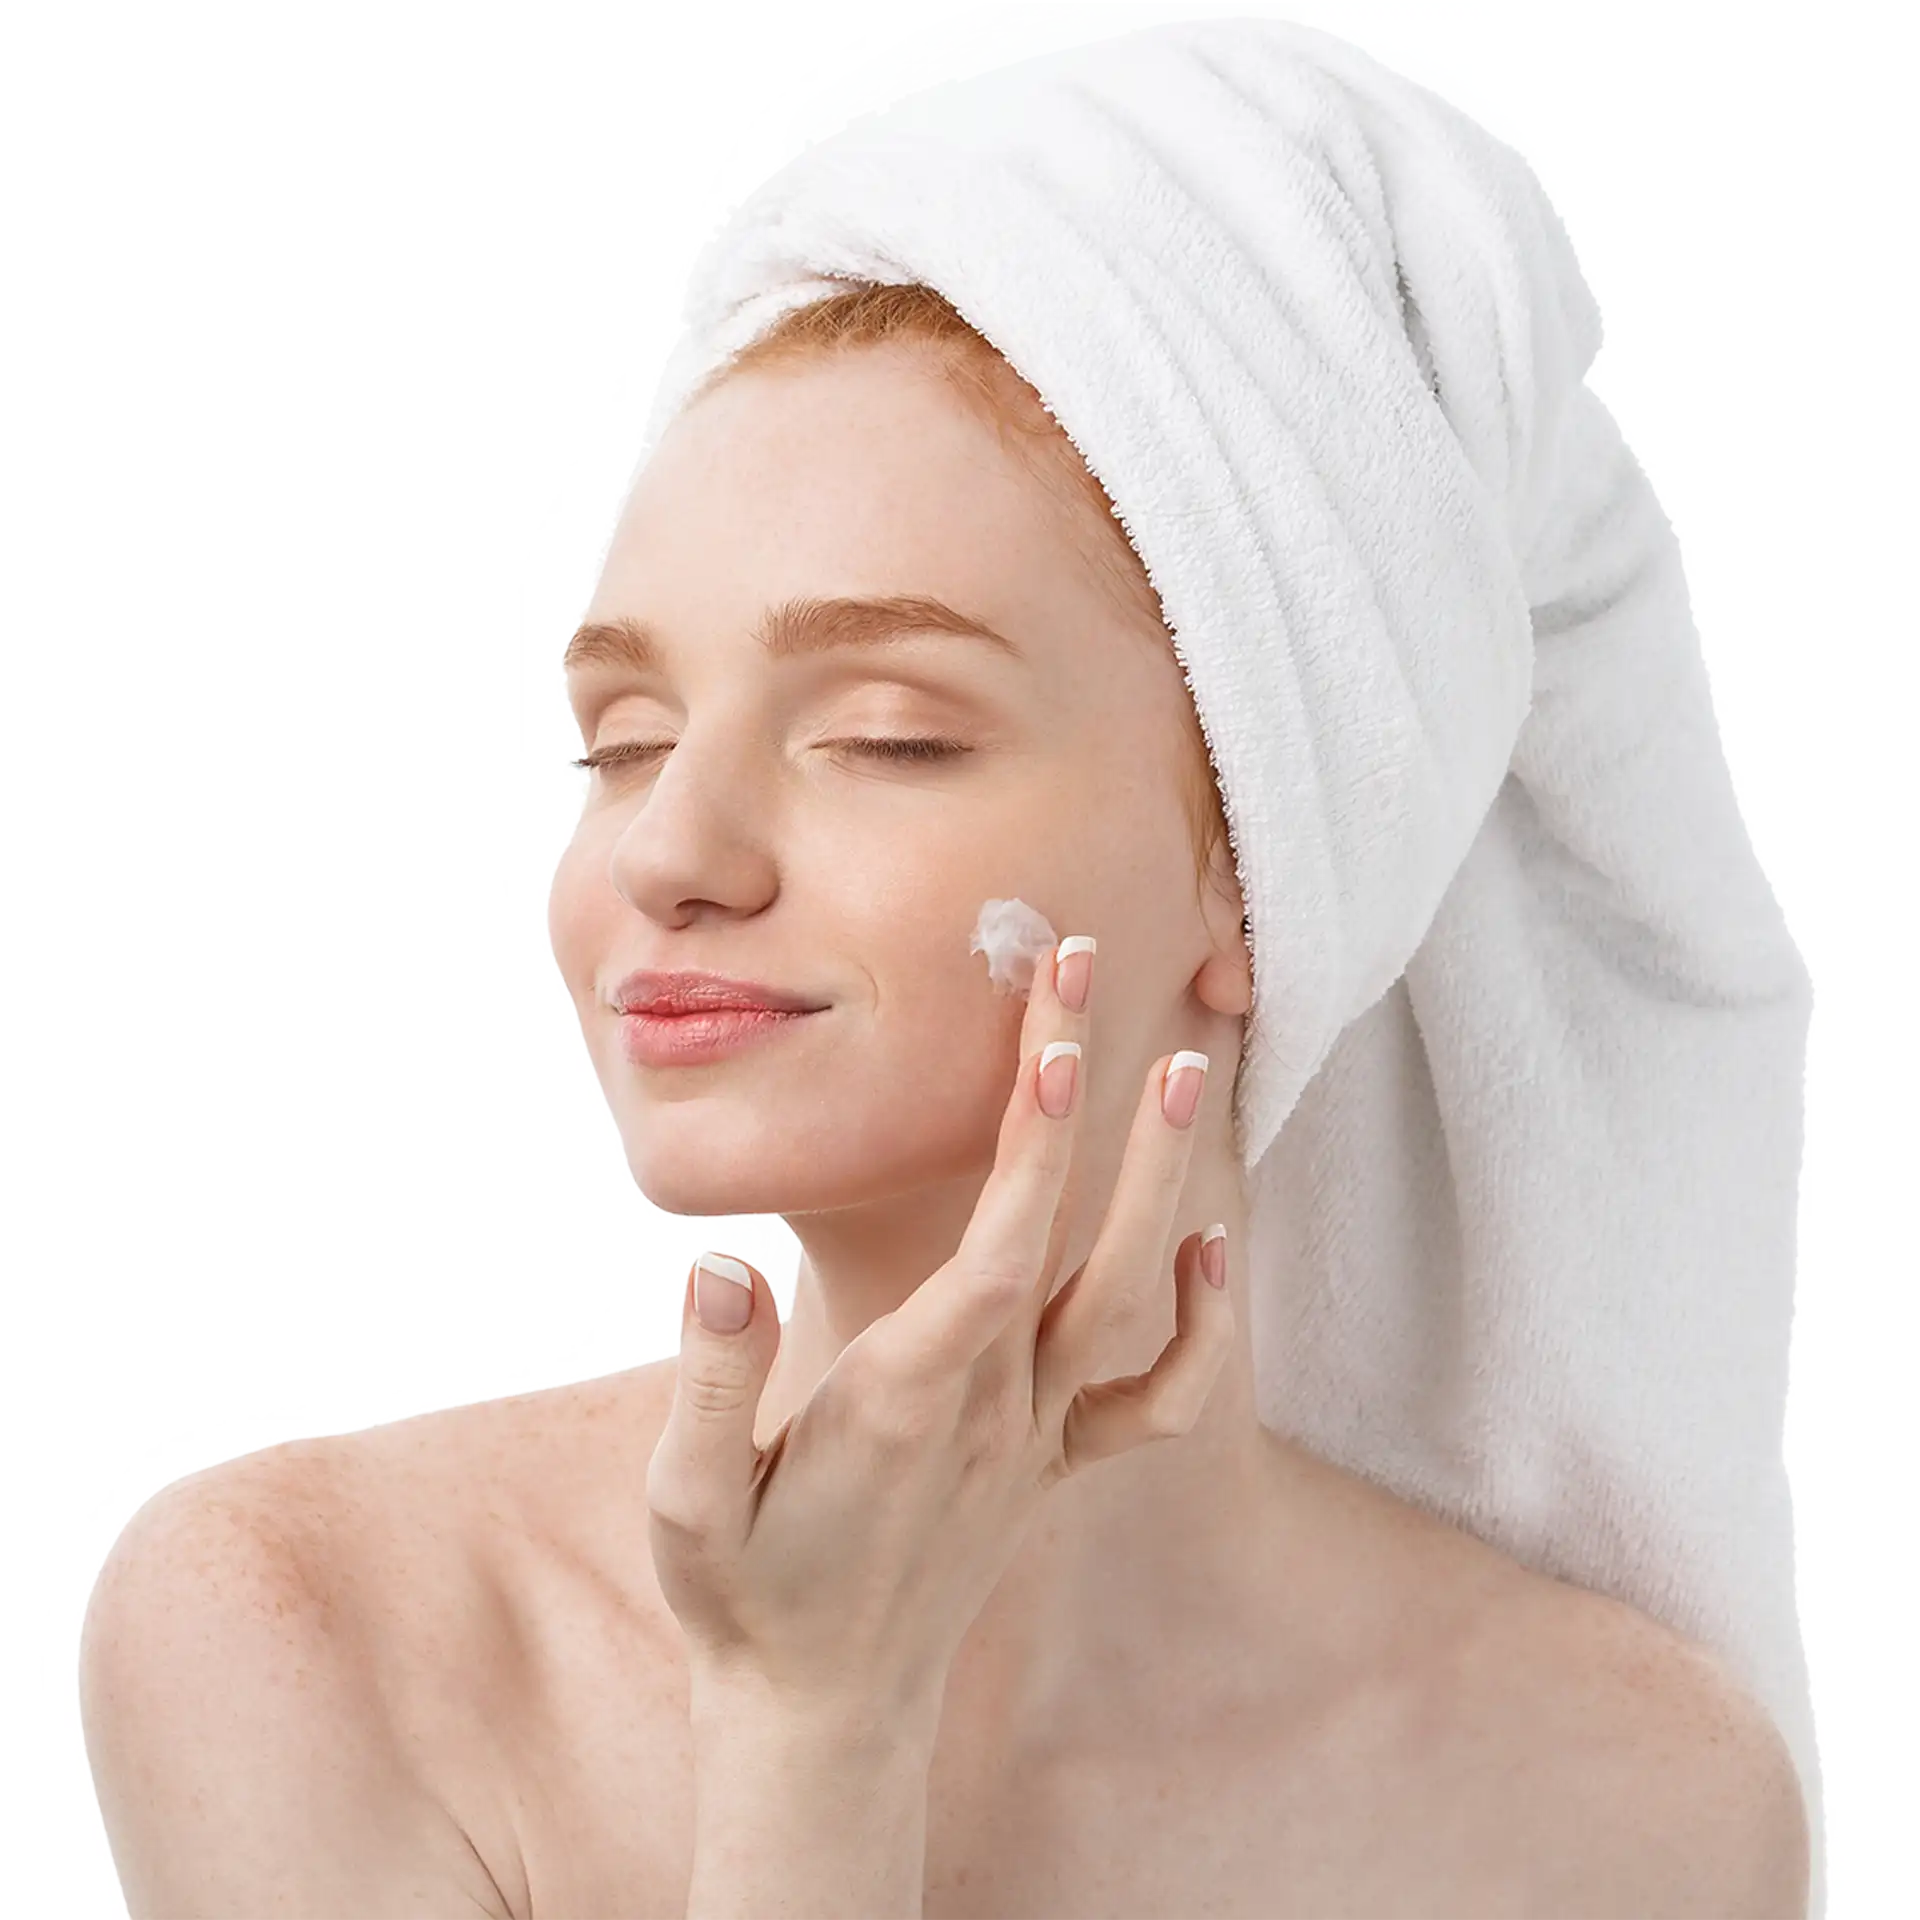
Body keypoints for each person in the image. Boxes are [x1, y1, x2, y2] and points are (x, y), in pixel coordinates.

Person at [75, 284, 1808, 1917]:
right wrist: (813, 1724)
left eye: (888, 733)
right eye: (624, 741)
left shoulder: (1624, 1803)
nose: (667, 850)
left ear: (1260, 865)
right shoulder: (307, 1633)